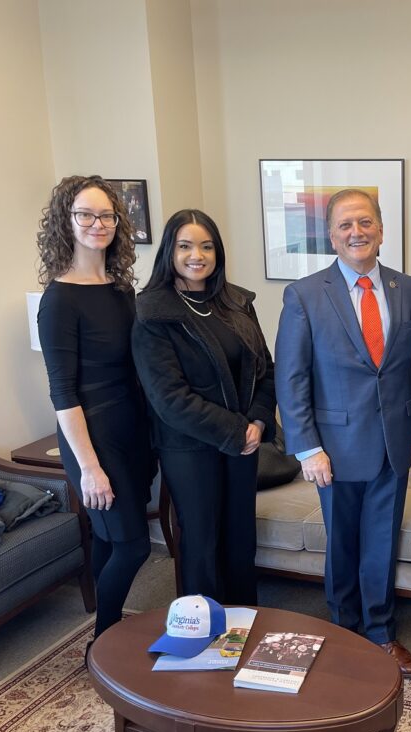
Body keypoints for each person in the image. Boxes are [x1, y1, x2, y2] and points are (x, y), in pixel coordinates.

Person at [275, 189, 411, 678]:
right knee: (342, 543)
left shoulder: (410, 289)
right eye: (345, 225)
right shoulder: (304, 294)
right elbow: (292, 376)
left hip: (396, 443)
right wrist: (307, 447)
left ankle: (382, 634)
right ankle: (344, 632)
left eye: (365, 222)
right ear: (331, 236)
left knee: (380, 543)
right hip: (334, 450)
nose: (356, 232)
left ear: (381, 230)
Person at [132, 209, 275, 606]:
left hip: (245, 442)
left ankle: (244, 621)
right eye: (186, 246)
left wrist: (259, 423)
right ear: (169, 252)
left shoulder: (236, 302)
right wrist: (234, 430)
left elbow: (266, 368)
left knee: (240, 537)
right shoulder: (152, 312)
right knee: (202, 540)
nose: (197, 255)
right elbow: (168, 398)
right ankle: (205, 634)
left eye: (206, 246)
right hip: (189, 448)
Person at [36, 175, 152, 643]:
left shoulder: (121, 290)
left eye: (106, 215)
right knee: (133, 544)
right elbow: (63, 393)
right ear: (66, 222)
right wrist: (89, 468)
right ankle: (104, 639)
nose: (97, 224)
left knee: (109, 537)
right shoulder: (58, 299)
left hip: (133, 431)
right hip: (94, 438)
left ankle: (106, 631)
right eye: (85, 214)